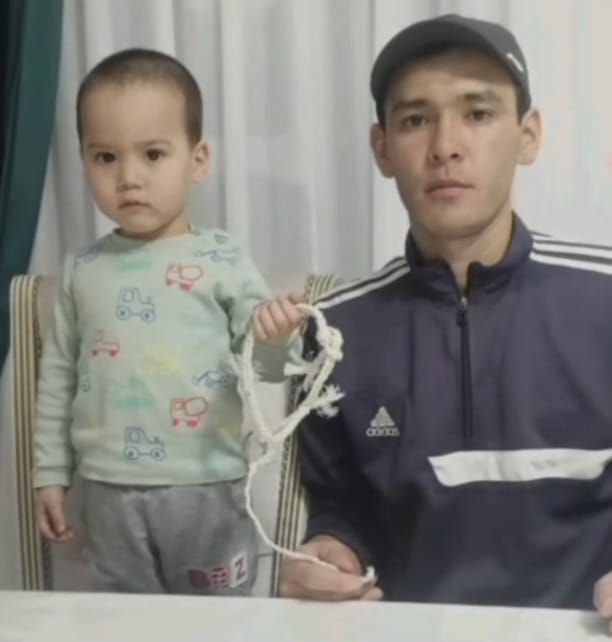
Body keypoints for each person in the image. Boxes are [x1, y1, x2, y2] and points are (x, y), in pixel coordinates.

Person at [280, 13, 612, 619]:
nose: (445, 146)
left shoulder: (603, 299)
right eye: (415, 120)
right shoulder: (331, 332)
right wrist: (330, 551)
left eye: (478, 113)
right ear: (383, 149)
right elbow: (341, 509)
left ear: (528, 136)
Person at [34, 48, 303, 595]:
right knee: (125, 623)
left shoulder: (223, 260)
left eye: (153, 154)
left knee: (218, 621)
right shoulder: (83, 270)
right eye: (106, 157)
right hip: (106, 490)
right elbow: (57, 379)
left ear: (198, 160)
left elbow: (268, 369)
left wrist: (276, 335)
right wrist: (50, 474)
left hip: (207, 485)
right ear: (84, 160)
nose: (128, 178)